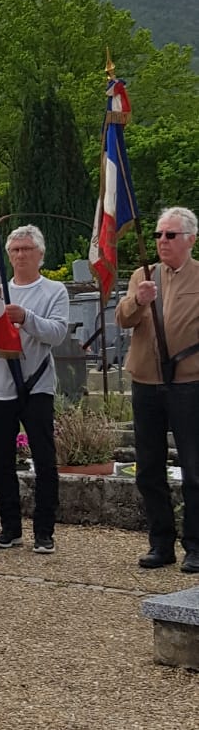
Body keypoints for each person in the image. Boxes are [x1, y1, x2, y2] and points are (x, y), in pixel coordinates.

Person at [116, 206, 199, 571]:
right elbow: (122, 319)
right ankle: (160, 543)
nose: (162, 242)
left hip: (189, 382)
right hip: (146, 381)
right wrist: (139, 300)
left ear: (190, 240)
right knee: (149, 467)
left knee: (194, 468)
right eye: (158, 235)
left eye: (170, 235)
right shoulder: (143, 276)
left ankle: (195, 545)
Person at [0, 224, 70, 554]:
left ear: (40, 255)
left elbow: (57, 333)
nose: (20, 255)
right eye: (15, 250)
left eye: (26, 249)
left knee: (44, 460)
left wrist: (26, 318)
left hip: (37, 385)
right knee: (2, 461)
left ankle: (45, 531)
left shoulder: (54, 291)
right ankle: (10, 527)